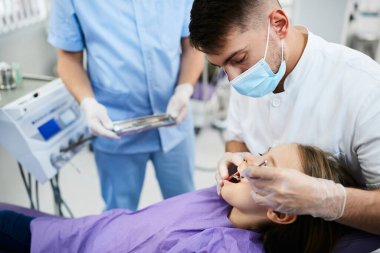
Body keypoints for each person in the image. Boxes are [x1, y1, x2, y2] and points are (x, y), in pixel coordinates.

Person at [188, 0, 380, 235]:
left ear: (279, 25)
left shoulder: (366, 89)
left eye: (238, 59)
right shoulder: (249, 76)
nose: (234, 79)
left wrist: (326, 200)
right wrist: (236, 158)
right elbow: (237, 137)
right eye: (221, 67)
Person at [0, 144, 358, 253]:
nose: (248, 159)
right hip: (73, 236)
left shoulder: (224, 248)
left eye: (266, 165)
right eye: (259, 152)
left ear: (282, 214)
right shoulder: (224, 201)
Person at [48, 1, 205, 211]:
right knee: (118, 217)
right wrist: (88, 103)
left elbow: (193, 46)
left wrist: (184, 88)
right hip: (115, 125)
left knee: (186, 209)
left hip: (173, 121)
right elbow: (68, 58)